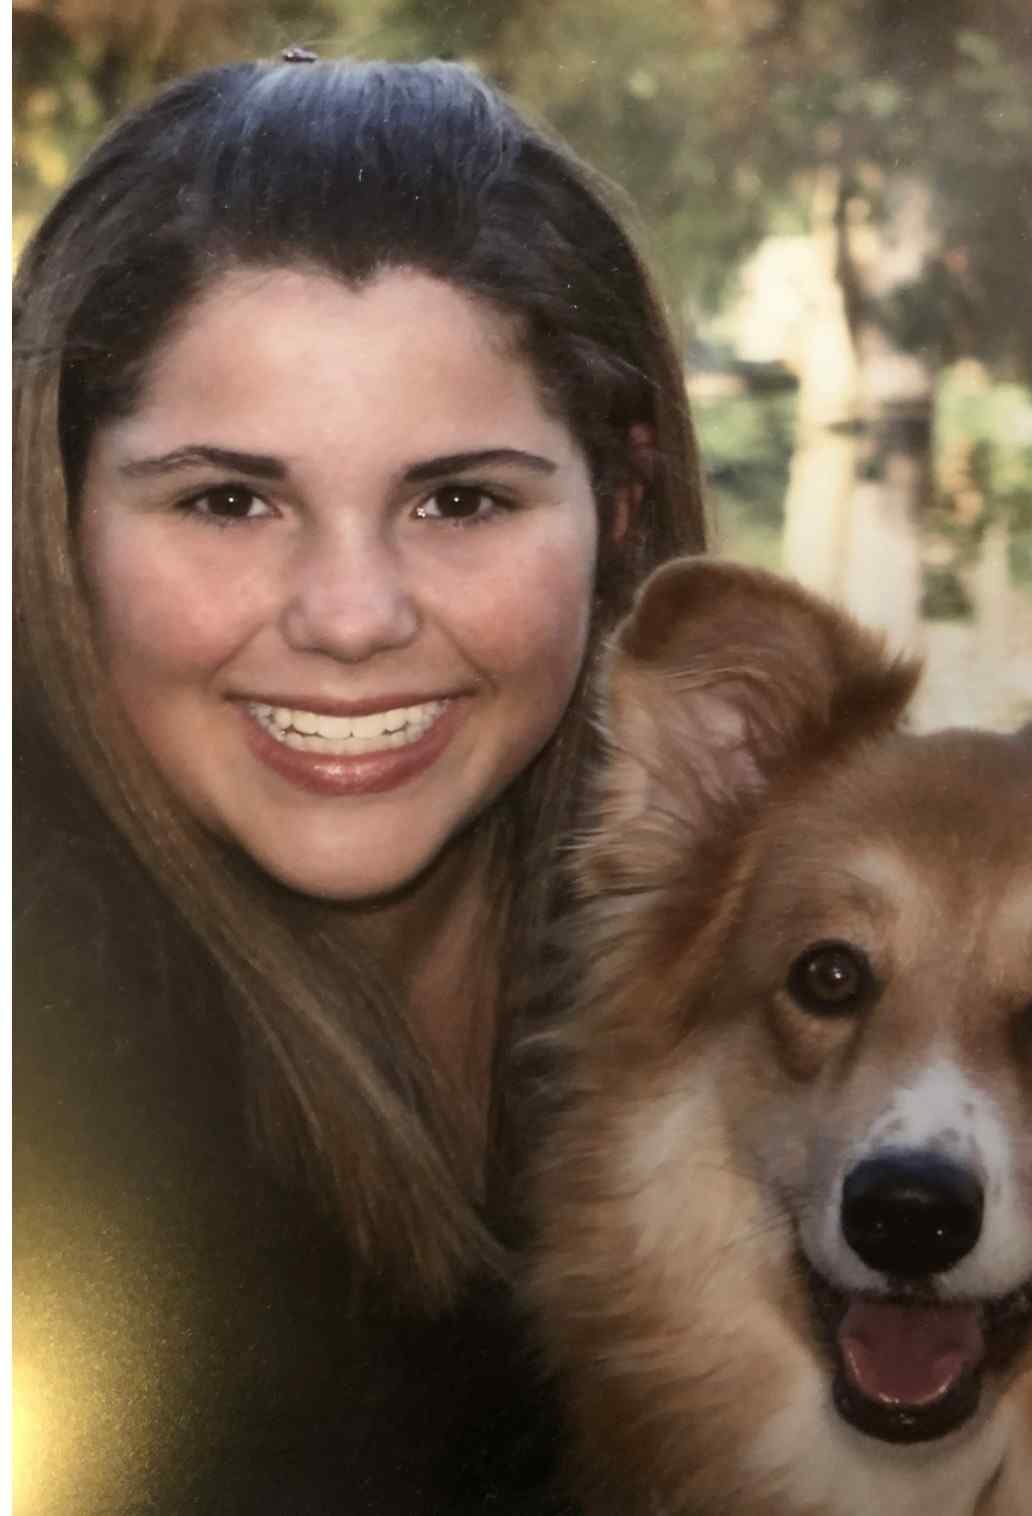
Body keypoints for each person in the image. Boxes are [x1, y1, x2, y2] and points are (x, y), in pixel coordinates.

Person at [12, 53, 707, 1515]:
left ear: (623, 508)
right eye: (228, 500)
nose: (350, 617)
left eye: (459, 499)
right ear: (59, 517)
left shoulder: (780, 991)